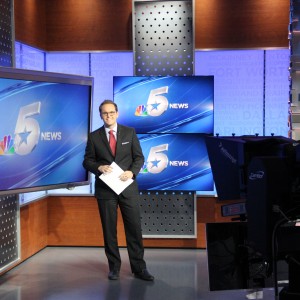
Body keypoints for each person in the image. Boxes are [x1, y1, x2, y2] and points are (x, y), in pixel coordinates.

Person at [82, 99, 154, 281]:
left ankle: (139, 268)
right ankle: (114, 267)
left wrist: (132, 172)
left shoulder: (129, 132)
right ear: (100, 115)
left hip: (127, 189)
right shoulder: (94, 136)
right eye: (105, 113)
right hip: (106, 191)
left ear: (117, 113)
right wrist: (98, 167)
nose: (109, 116)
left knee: (134, 230)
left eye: (112, 112)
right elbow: (87, 161)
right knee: (109, 231)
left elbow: (139, 158)